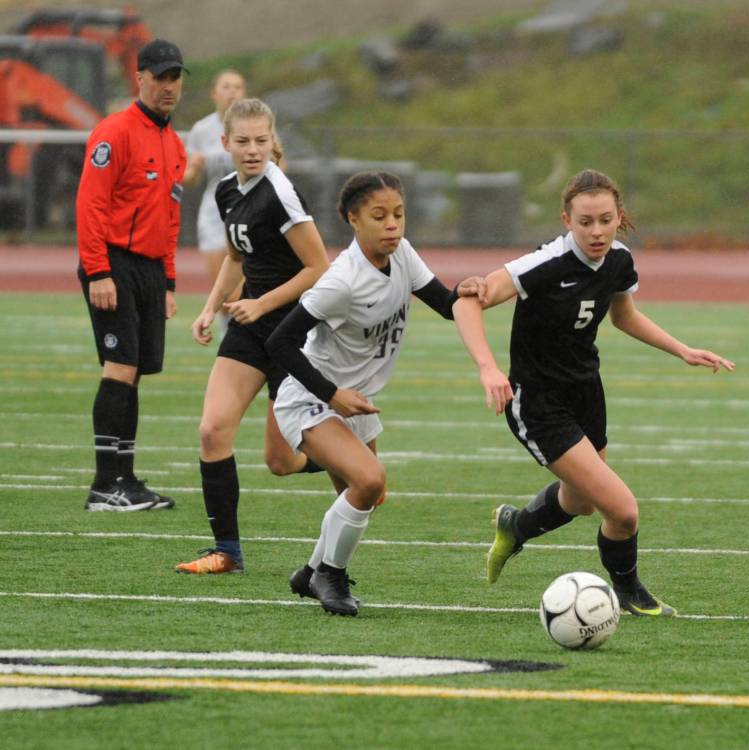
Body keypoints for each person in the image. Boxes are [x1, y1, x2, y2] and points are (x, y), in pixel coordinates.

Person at [452, 169, 735, 616]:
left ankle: (516, 525)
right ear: (567, 219)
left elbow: (624, 317)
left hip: (586, 390)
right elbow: (466, 300)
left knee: (581, 501)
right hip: (539, 400)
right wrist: (488, 369)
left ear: (619, 216)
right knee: (623, 511)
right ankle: (628, 591)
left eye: (605, 219)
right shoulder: (544, 264)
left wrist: (681, 349)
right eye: (585, 222)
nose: (597, 231)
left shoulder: (620, 260)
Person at [265, 171, 484, 616]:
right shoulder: (340, 280)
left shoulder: (402, 254)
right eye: (379, 216)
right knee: (368, 480)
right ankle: (329, 575)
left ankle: (310, 573)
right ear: (353, 220)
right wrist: (331, 394)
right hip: (311, 397)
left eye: (399, 215)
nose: (392, 225)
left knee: (368, 493)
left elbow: (445, 304)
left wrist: (471, 290)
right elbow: (279, 344)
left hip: (356, 400)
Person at [175, 98, 331, 575]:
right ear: (225, 144)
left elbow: (318, 268)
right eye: (242, 141)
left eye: (261, 140)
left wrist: (262, 303)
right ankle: (227, 551)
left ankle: (353, 464)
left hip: (292, 331)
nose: (252, 149)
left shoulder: (280, 193)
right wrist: (208, 307)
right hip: (248, 326)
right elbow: (236, 259)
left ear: (272, 140)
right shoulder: (226, 190)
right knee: (212, 430)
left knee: (281, 461)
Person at [76, 39, 189, 512]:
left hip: (147, 269)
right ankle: (105, 484)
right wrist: (100, 271)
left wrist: (167, 282)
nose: (168, 86)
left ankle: (125, 477)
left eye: (175, 77)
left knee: (136, 373)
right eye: (159, 76)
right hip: (113, 262)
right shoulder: (114, 131)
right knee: (119, 368)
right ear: (139, 77)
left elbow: (169, 219)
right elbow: (91, 205)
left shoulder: (174, 143)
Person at [182, 69, 247, 336]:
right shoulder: (202, 129)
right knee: (220, 286)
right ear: (214, 93)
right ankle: (228, 338)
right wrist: (194, 169)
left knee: (238, 290)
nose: (232, 92)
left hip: (246, 211)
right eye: (226, 86)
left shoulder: (254, 124)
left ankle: (239, 341)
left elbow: (280, 164)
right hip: (213, 212)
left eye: (238, 87)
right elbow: (188, 178)